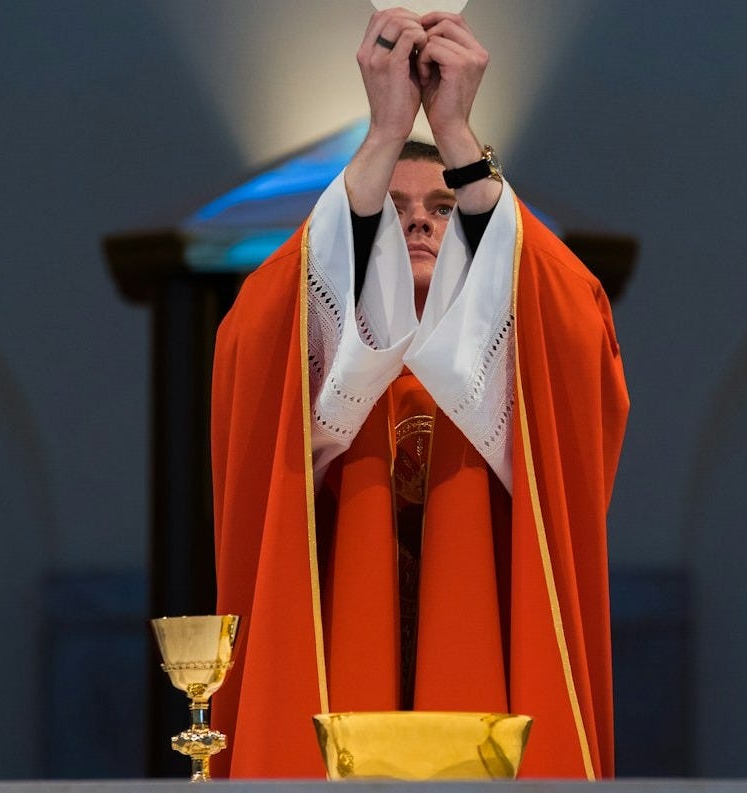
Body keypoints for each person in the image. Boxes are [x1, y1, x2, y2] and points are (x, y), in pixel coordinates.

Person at [209, 7, 628, 779]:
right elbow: (251, 338)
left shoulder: (504, 366)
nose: (421, 225)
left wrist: (461, 137)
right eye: (394, 210)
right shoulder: (332, 355)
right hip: (341, 651)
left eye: (442, 208)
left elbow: (578, 328)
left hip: (489, 653)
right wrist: (381, 136)